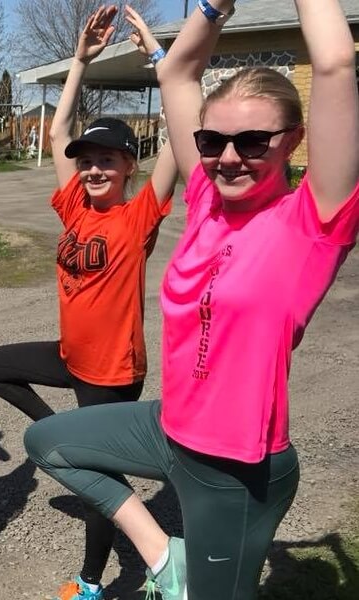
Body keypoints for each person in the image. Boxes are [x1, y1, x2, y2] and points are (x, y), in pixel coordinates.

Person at [24, 1, 359, 599]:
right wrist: (214, 8)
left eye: (253, 142)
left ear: (293, 141)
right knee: (48, 442)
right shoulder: (206, 199)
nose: (229, 156)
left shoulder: (312, 222)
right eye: (213, 140)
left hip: (236, 469)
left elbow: (334, 64)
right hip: (170, 428)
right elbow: (178, 74)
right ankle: (164, 558)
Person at [0, 6, 176, 600]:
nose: (92, 170)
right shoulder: (75, 206)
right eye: (88, 163)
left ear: (129, 166)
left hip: (110, 374)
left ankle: (91, 583)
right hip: (69, 354)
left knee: (96, 485)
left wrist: (159, 61)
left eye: (106, 161)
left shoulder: (139, 217)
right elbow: (59, 136)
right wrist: (80, 61)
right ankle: (58, 432)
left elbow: (182, 144)